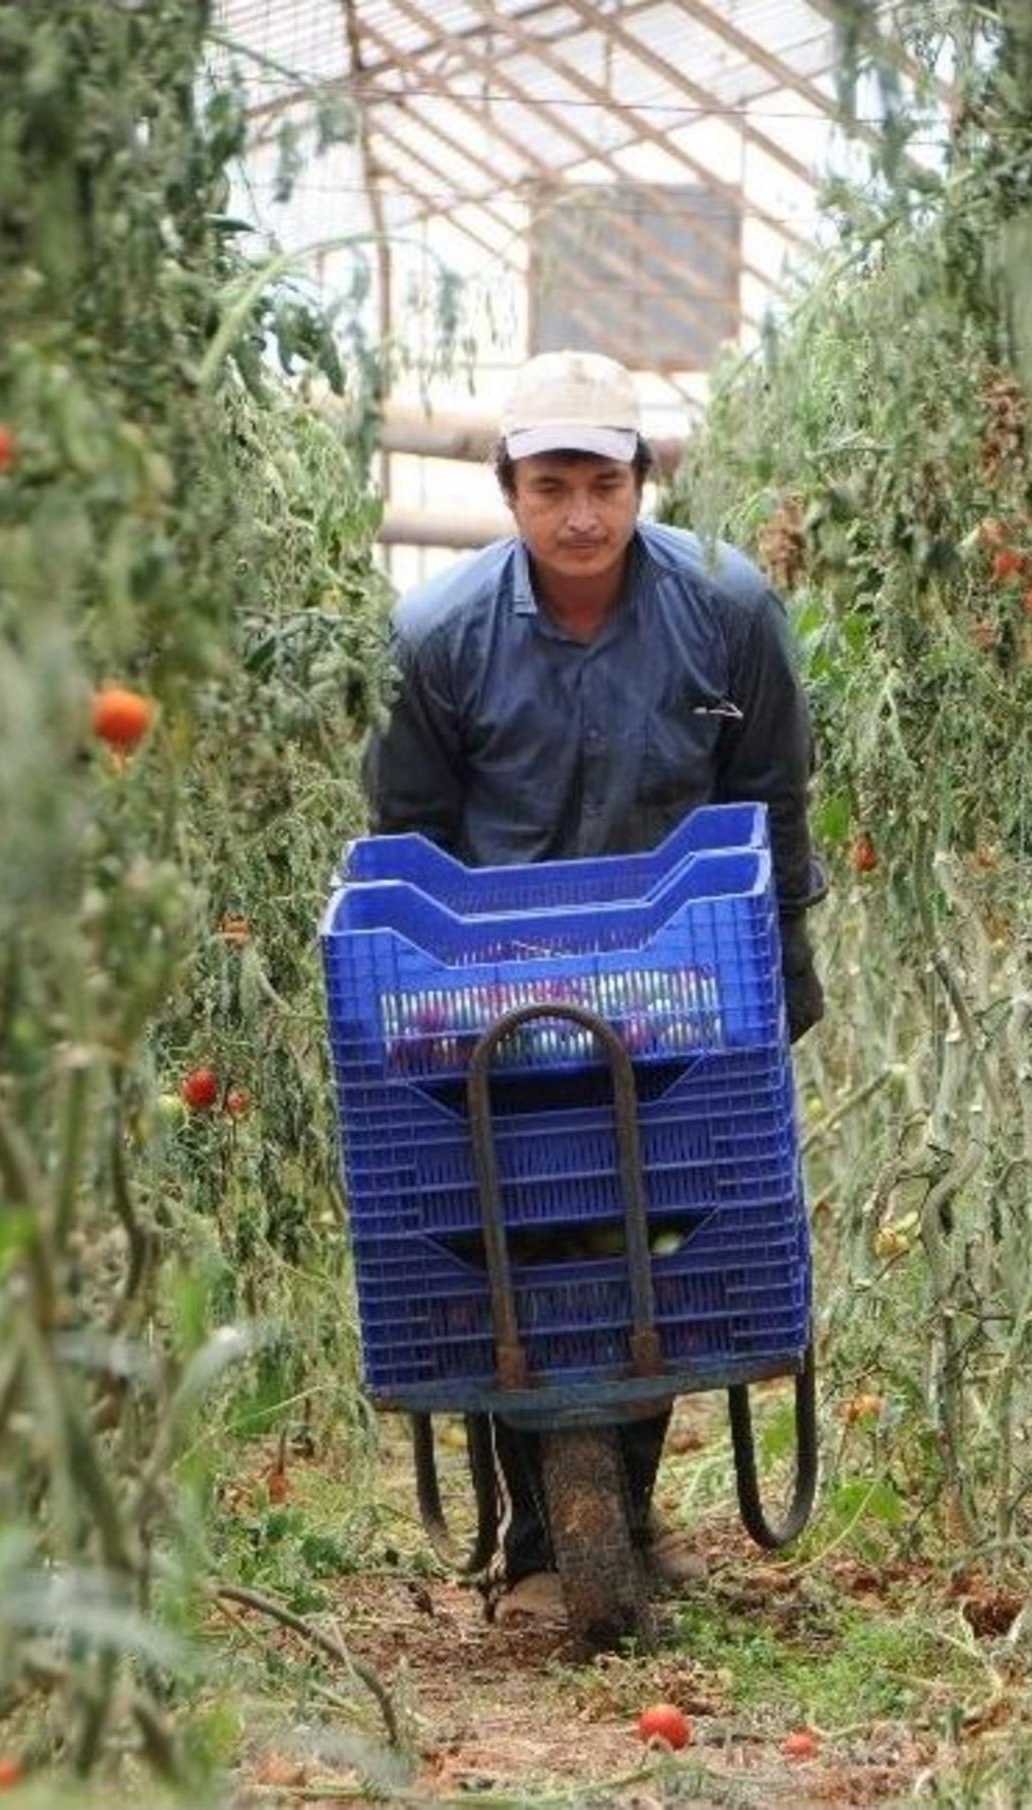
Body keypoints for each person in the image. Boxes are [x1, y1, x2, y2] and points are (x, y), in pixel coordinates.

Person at [363, 348, 826, 1625]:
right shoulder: (437, 638)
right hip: (492, 993)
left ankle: (616, 1506)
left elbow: (768, 803)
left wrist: (782, 973)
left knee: (661, 1223)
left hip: (678, 980)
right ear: (509, 487)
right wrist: (421, 1002)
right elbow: (410, 830)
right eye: (551, 483)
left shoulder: (728, 610)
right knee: (516, 1235)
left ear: (644, 482)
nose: (580, 514)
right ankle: (533, 1535)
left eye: (604, 483)